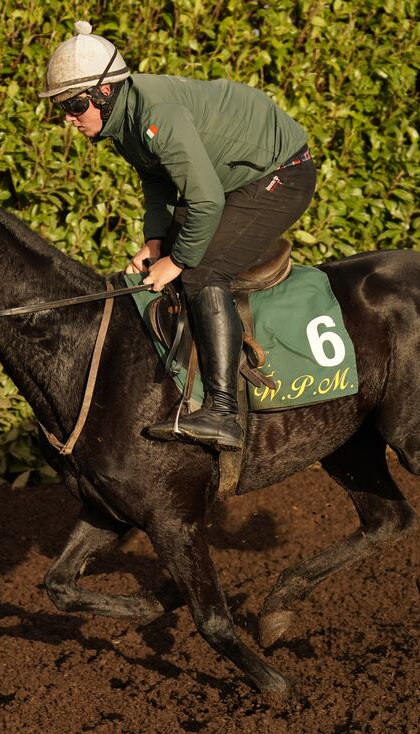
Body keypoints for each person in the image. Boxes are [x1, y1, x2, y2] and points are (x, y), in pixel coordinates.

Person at [40, 21, 316, 451]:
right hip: (233, 177)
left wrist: (179, 260)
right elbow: (157, 182)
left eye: (75, 105)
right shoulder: (123, 121)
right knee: (172, 253)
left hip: (280, 172)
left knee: (201, 270)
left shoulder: (154, 114)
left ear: (105, 92)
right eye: (62, 108)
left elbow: (205, 201)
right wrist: (155, 242)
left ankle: (224, 412)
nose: (70, 118)